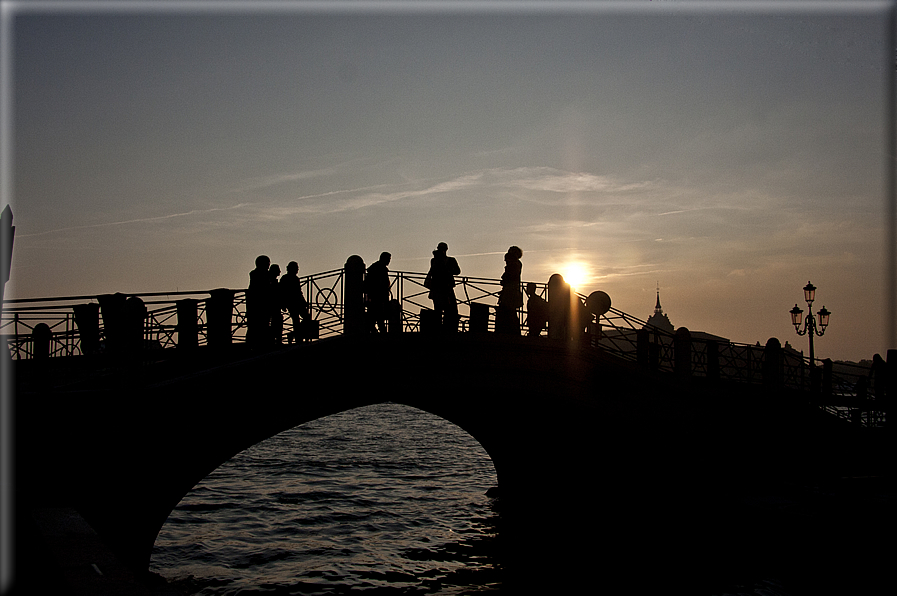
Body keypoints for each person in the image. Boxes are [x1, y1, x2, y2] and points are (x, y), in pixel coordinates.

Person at [424, 242, 461, 332]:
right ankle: (443, 328)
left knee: (443, 309)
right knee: (445, 309)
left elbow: (457, 271)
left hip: (441, 288)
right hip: (443, 288)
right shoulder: (438, 260)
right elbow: (457, 271)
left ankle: (441, 328)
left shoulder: (437, 260)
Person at [280, 261, 310, 343]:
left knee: (305, 318)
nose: (297, 270)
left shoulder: (295, 279)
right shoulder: (285, 278)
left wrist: (304, 301)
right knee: (297, 320)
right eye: (296, 268)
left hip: (297, 303)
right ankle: (298, 337)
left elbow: (299, 292)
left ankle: (295, 335)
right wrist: (283, 304)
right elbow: (282, 292)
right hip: (292, 303)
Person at [496, 246, 523, 335]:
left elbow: (507, 277)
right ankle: (513, 331)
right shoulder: (517, 264)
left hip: (510, 293)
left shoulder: (513, 265)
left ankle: (508, 331)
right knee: (511, 312)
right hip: (512, 292)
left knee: (508, 311)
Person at [247, 255, 272, 348]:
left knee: (255, 327)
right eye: (267, 263)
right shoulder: (263, 274)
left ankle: (253, 344)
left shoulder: (254, 274)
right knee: (260, 325)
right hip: (261, 304)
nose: (268, 265)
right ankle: (258, 344)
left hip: (256, 305)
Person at [365, 252, 392, 334]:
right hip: (378, 296)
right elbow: (381, 283)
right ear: (383, 258)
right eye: (388, 259)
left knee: (374, 316)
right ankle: (380, 332)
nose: (389, 261)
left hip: (375, 296)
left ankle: (375, 331)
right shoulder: (380, 269)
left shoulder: (375, 268)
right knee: (378, 315)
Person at [269, 263, 283, 345]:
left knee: (276, 322)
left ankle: (276, 340)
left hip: (274, 306)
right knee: (276, 322)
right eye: (278, 270)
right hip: (272, 306)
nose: (279, 272)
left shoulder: (272, 281)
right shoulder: (270, 282)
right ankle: (276, 340)